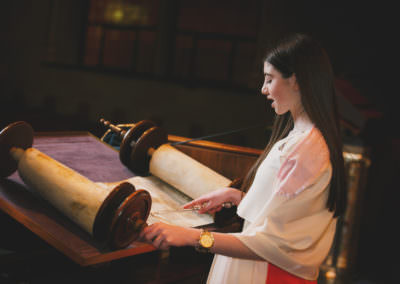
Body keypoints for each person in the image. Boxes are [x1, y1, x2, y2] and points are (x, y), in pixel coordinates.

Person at [139, 33, 347, 283]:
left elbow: (271, 243)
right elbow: (287, 219)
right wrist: (237, 197)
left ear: (297, 80)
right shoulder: (303, 138)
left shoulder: (306, 148)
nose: (263, 89)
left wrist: (193, 237)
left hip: (269, 273)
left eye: (270, 79)